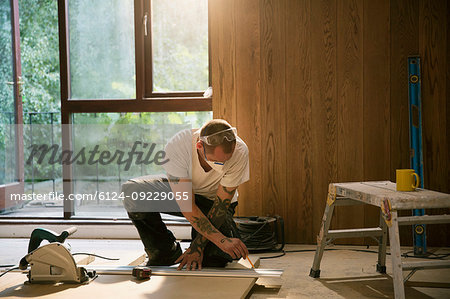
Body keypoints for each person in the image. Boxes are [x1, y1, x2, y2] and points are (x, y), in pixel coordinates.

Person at [122, 119, 250, 270]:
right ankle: (165, 251)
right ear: (199, 146)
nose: (221, 165)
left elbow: (221, 205)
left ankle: (210, 246)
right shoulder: (178, 146)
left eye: (225, 161)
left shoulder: (240, 151)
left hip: (213, 204)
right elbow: (187, 204)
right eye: (216, 161)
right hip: (186, 196)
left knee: (215, 258)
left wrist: (198, 246)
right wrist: (219, 240)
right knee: (134, 191)